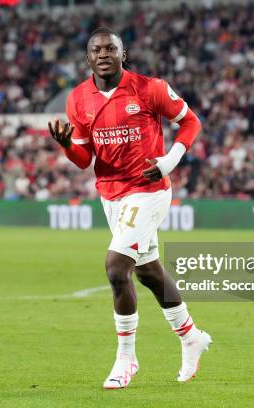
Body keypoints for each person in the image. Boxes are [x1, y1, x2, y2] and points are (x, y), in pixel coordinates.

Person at [49, 27, 211, 389]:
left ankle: (126, 359)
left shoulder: (150, 88)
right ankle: (190, 336)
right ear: (88, 57)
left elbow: (190, 121)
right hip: (111, 194)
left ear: (124, 53)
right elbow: (83, 159)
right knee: (149, 272)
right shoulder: (78, 99)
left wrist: (170, 160)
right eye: (96, 49)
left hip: (149, 189)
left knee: (115, 267)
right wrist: (65, 145)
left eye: (111, 48)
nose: (103, 53)